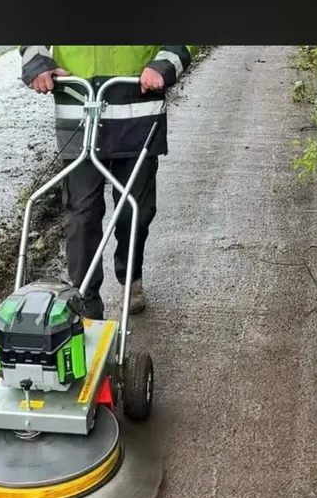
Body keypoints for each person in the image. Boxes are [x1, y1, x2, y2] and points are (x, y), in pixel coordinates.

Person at [19, 46, 197, 320]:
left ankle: (130, 275)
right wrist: (38, 65)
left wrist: (164, 64)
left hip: (138, 111)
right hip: (81, 112)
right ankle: (85, 302)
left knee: (134, 211)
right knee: (82, 215)